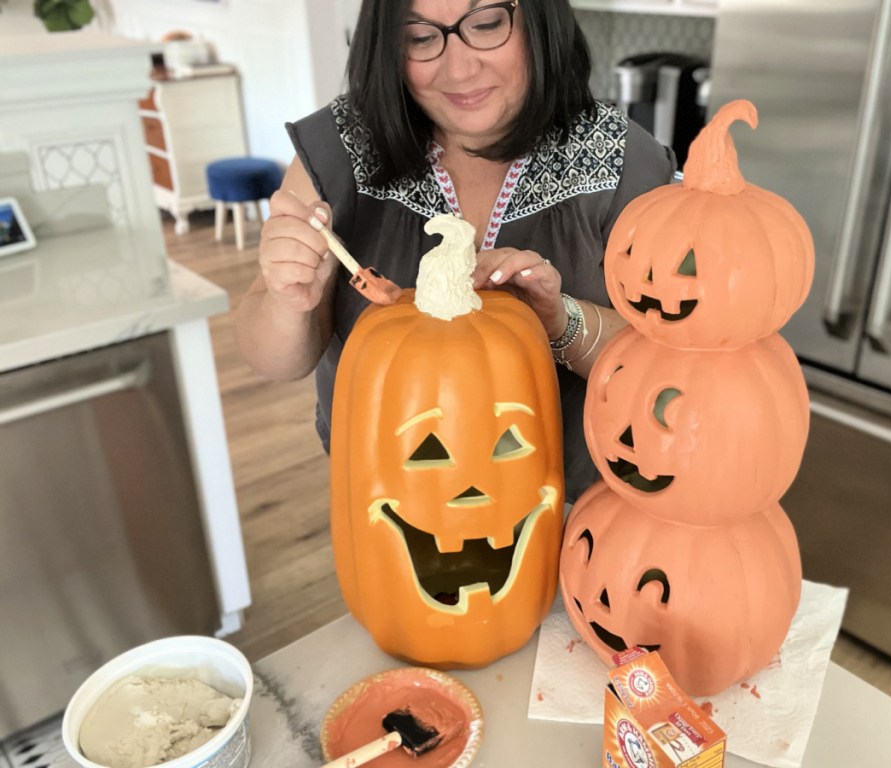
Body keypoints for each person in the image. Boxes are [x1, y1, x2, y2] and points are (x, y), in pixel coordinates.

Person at [235, 0, 676, 503]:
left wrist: (561, 321)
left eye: (488, 24)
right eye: (421, 38)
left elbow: (668, 377)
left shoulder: (623, 163)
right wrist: (290, 301)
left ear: (539, 18)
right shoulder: (340, 148)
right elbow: (274, 360)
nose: (460, 68)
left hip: (575, 522)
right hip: (394, 517)